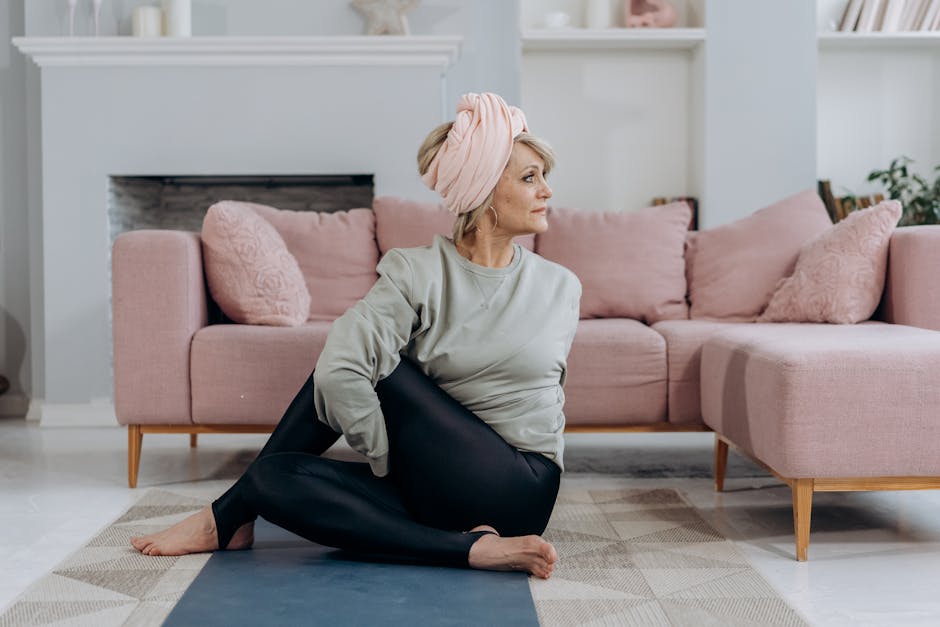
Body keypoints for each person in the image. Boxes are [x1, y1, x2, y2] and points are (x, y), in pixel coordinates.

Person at [130, 92, 582, 579]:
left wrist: (386, 457)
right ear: (486, 190)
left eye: (543, 177)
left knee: (361, 360)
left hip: (518, 487)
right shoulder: (419, 272)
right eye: (530, 177)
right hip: (436, 485)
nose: (547, 192)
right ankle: (468, 548)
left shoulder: (560, 286)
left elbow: (537, 400)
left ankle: (226, 516)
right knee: (271, 477)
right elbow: (343, 367)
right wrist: (396, 457)